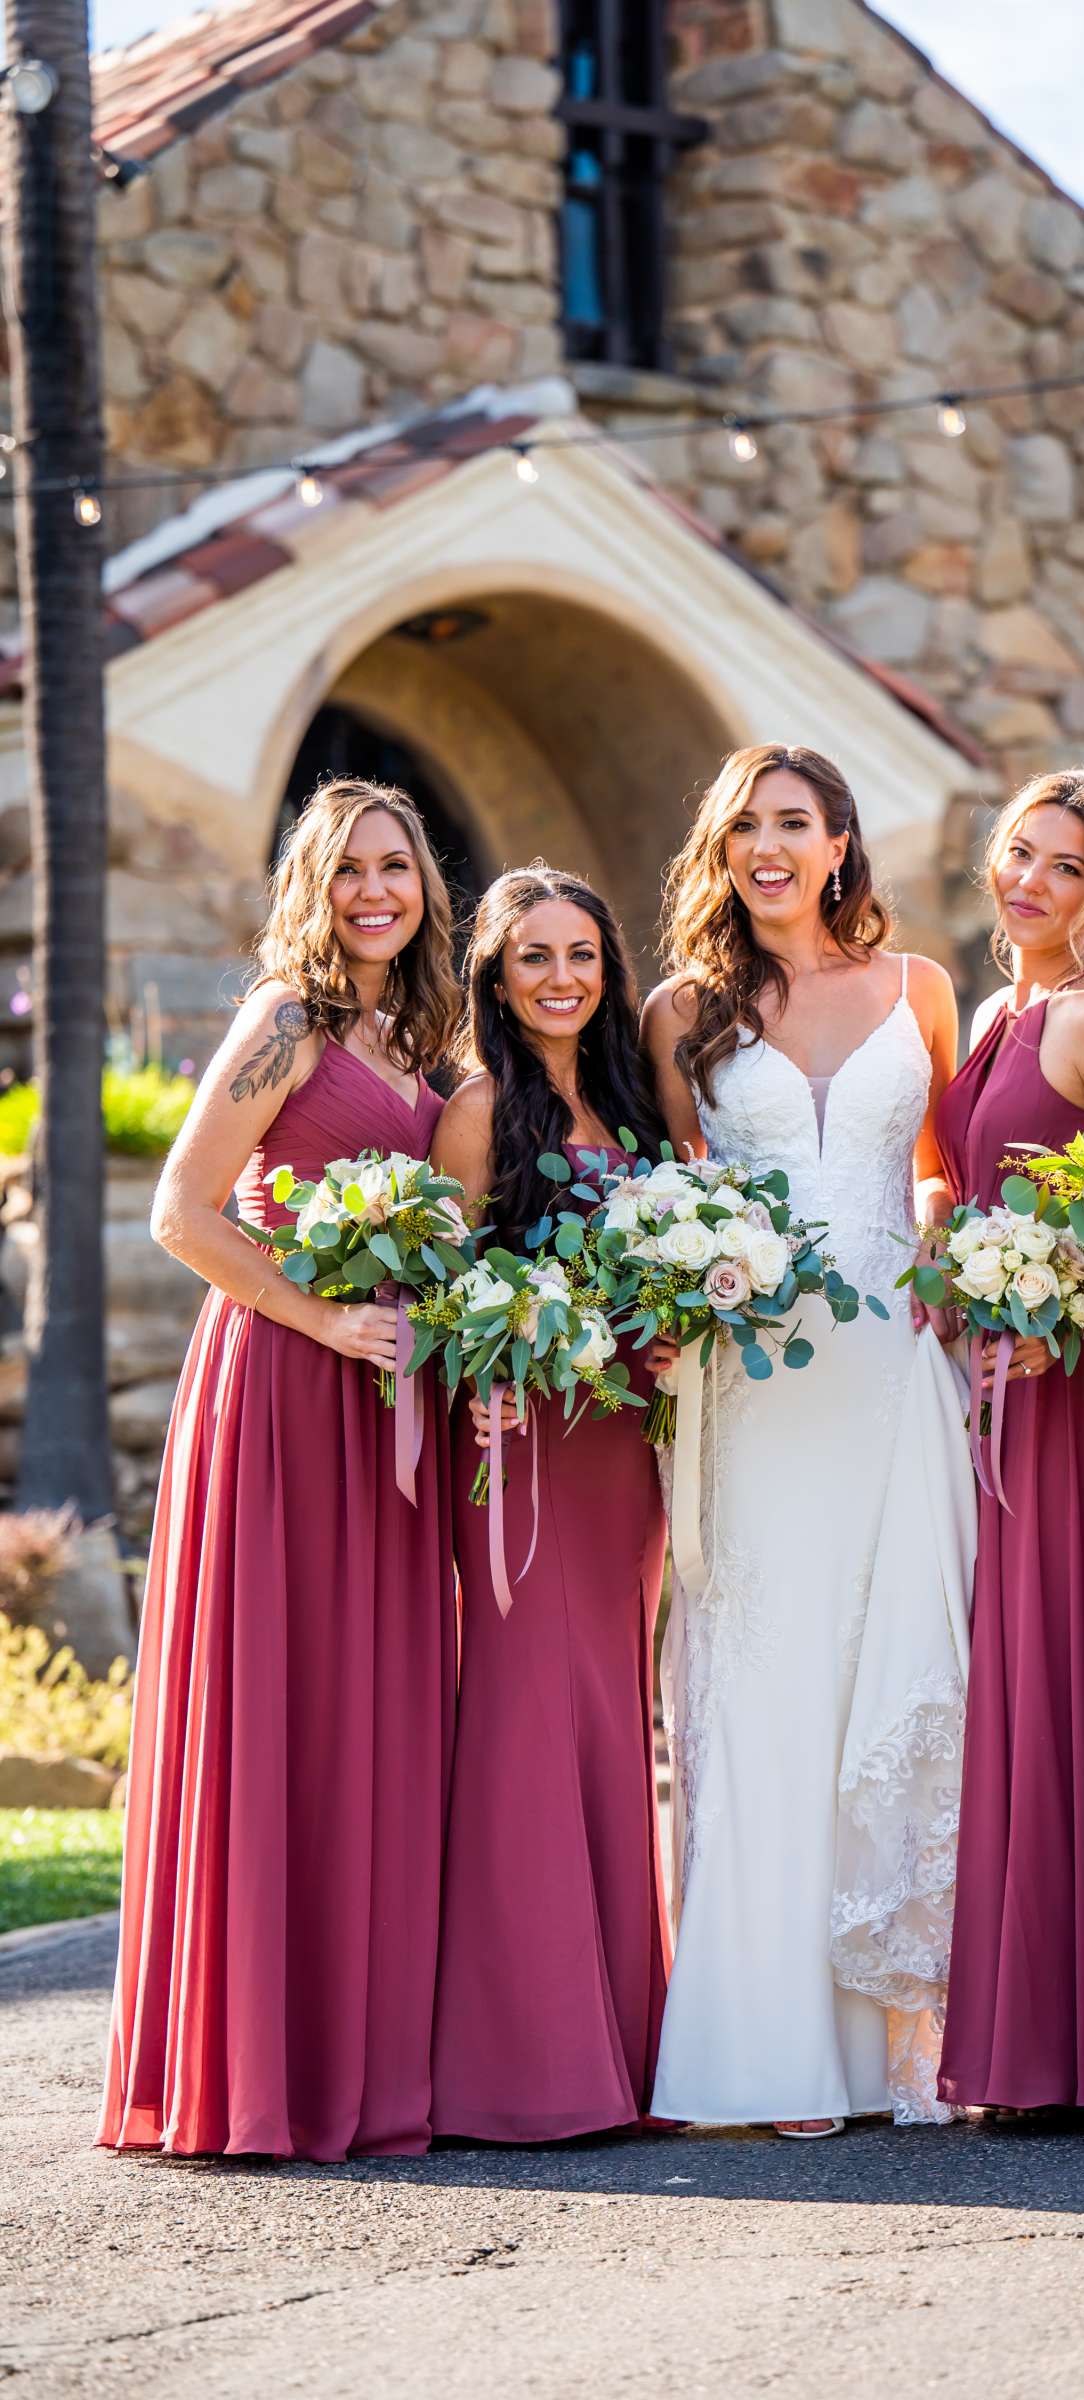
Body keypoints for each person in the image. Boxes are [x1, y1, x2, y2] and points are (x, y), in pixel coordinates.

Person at [99, 779, 460, 2160]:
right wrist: (319, 1318)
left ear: (426, 885)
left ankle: (350, 2061)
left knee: (360, 1706)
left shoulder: (416, 1040)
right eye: (350, 868)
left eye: (398, 867)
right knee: (280, 1700)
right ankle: (251, 2068)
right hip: (282, 1389)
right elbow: (180, 1210)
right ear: (310, 884)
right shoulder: (287, 1022)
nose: (377, 890)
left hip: (383, 1404)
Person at [643, 743, 957, 2134]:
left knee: (884, 1677)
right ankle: (764, 2047)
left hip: (897, 1375)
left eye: (794, 824)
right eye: (743, 827)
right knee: (763, 1687)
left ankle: (898, 2042)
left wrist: (945, 1264)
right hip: (758, 1387)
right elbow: (671, 1196)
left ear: (841, 844)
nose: (767, 847)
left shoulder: (922, 990)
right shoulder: (682, 1011)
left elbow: (945, 1167)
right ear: (720, 850)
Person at [429, 867, 671, 2143]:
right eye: (534, 958)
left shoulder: (630, 1103)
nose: (562, 977)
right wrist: (481, 1375)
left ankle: (618, 2047)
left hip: (624, 1443)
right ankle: (520, 2065)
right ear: (497, 976)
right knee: (525, 1714)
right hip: (525, 1447)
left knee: (608, 1721)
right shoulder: (479, 1109)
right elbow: (444, 1288)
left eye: (581, 953)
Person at [929, 769, 1084, 2118]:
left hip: (1061, 1410)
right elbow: (964, 1177)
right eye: (1022, 853)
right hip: (981, 1391)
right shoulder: (999, 1008)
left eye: (1066, 868)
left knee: (1053, 1684)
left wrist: (1056, 1322)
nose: (1033, 883)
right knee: (999, 1689)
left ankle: (1078, 2041)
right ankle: (1016, 2035)